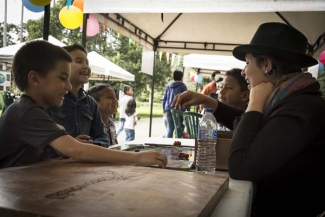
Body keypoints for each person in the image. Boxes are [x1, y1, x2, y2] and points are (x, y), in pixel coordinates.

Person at [172, 22, 325, 216]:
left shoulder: (301, 108)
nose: (244, 71)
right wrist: (210, 103)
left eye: (247, 62)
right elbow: (260, 128)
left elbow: (240, 167)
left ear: (267, 65)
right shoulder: (290, 99)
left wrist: (255, 102)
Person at [0, 41, 167, 169]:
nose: (68, 86)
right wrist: (137, 158)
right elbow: (78, 151)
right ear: (35, 79)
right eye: (62, 78)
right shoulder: (27, 112)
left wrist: (68, 145)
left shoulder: (40, 109)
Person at [50, 44, 109, 155]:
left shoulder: (91, 103)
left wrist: (90, 147)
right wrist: (71, 146)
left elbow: (103, 136)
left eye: (87, 63)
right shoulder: (52, 100)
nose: (86, 66)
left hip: (82, 166)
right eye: (78, 61)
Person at [162, 70, 188, 138]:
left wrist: (164, 108)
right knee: (179, 127)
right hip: (179, 109)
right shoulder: (183, 86)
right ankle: (177, 141)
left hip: (168, 109)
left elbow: (164, 98)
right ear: (181, 77)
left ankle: (168, 143)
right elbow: (186, 98)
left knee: (170, 128)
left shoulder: (168, 86)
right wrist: (187, 109)